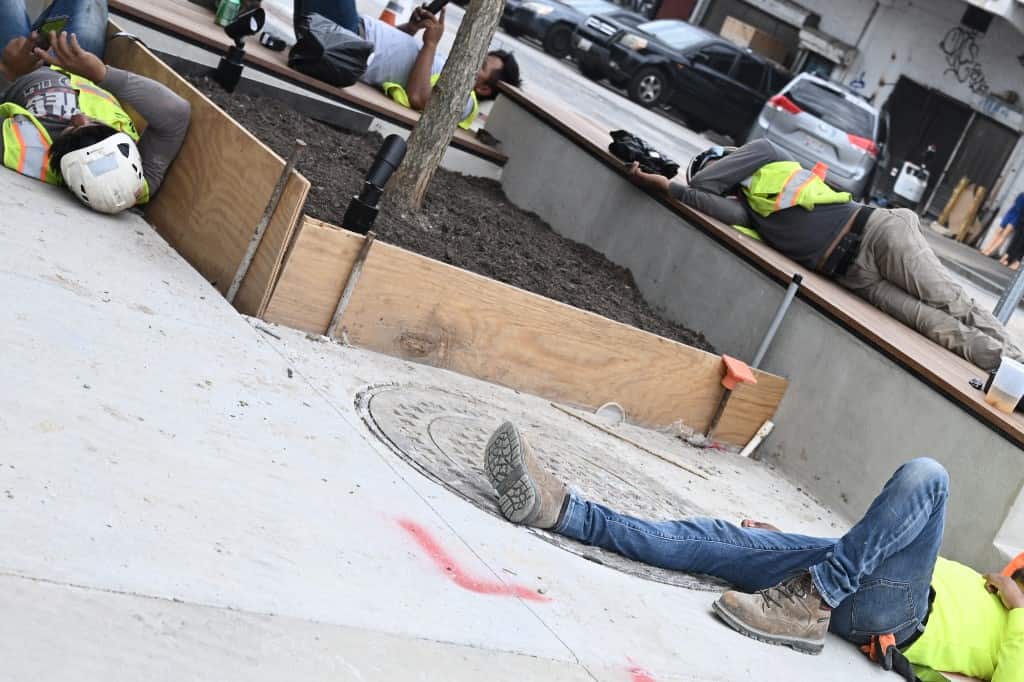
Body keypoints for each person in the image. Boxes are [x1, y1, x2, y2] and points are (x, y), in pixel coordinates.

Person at [483, 420, 1024, 679]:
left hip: (896, 616)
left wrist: (1019, 609)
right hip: (856, 575)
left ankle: (813, 598)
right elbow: (890, 542)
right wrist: (794, 543)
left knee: (929, 477)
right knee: (721, 541)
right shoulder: (994, 586)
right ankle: (563, 510)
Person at [628, 140, 1023, 371]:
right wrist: (665, 186)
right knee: (939, 329)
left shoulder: (766, 160)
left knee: (951, 301)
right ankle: (1015, 378)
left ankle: (1018, 356)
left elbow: (706, 183)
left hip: (877, 235)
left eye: (717, 168)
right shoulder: (749, 211)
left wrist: (696, 175)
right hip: (857, 278)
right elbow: (704, 199)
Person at [0, 0, 191, 213]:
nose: (80, 117)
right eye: (97, 126)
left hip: (18, 66)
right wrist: (102, 74)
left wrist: (8, 72)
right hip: (79, 64)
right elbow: (176, 113)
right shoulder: (134, 180)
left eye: (70, 131)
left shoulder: (23, 151)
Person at [294, 0, 520, 129]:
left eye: (480, 65)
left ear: (484, 88)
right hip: (345, 34)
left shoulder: (465, 101)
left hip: (344, 43)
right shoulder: (452, 70)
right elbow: (395, 55)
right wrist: (411, 28)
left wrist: (430, 43)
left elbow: (418, 97)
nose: (471, 61)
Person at [982, 193, 1024, 270]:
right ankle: (987, 248)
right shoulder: (1022, 194)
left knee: (1005, 235)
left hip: (1018, 217)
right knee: (999, 232)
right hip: (1013, 213)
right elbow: (1015, 202)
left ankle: (990, 251)